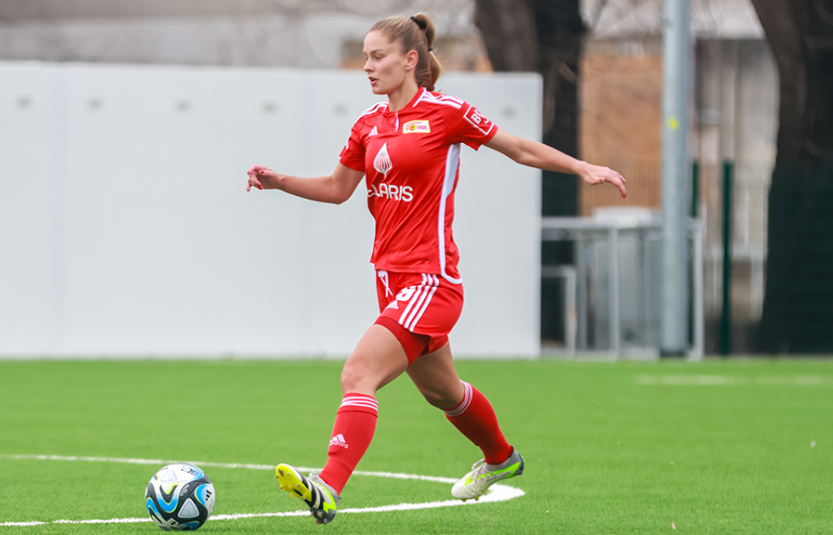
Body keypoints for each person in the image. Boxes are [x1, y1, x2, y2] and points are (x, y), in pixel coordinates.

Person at [246, 13, 626, 525]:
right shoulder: (368, 124)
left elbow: (516, 147)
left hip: (432, 280)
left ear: (410, 60)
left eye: (377, 56)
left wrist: (582, 167)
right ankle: (501, 459)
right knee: (443, 392)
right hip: (390, 281)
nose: (367, 66)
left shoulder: (446, 113)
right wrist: (281, 181)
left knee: (358, 373)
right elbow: (338, 189)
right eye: (364, 56)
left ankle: (329, 485)